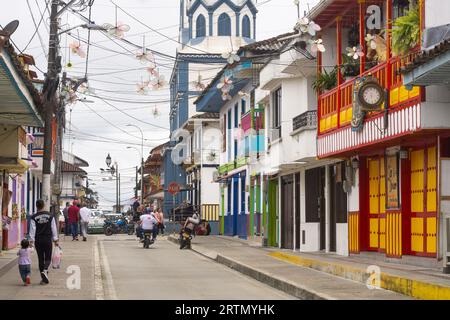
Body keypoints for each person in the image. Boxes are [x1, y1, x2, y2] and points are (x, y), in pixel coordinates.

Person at [29, 199, 59, 285]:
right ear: (44, 206)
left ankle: (43, 278)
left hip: (38, 240)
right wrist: (55, 239)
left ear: (36, 206)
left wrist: (31, 241)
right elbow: (54, 228)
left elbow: (32, 230)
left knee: (40, 258)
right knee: (48, 257)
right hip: (47, 239)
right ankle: (45, 270)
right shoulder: (50, 216)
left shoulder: (33, 217)